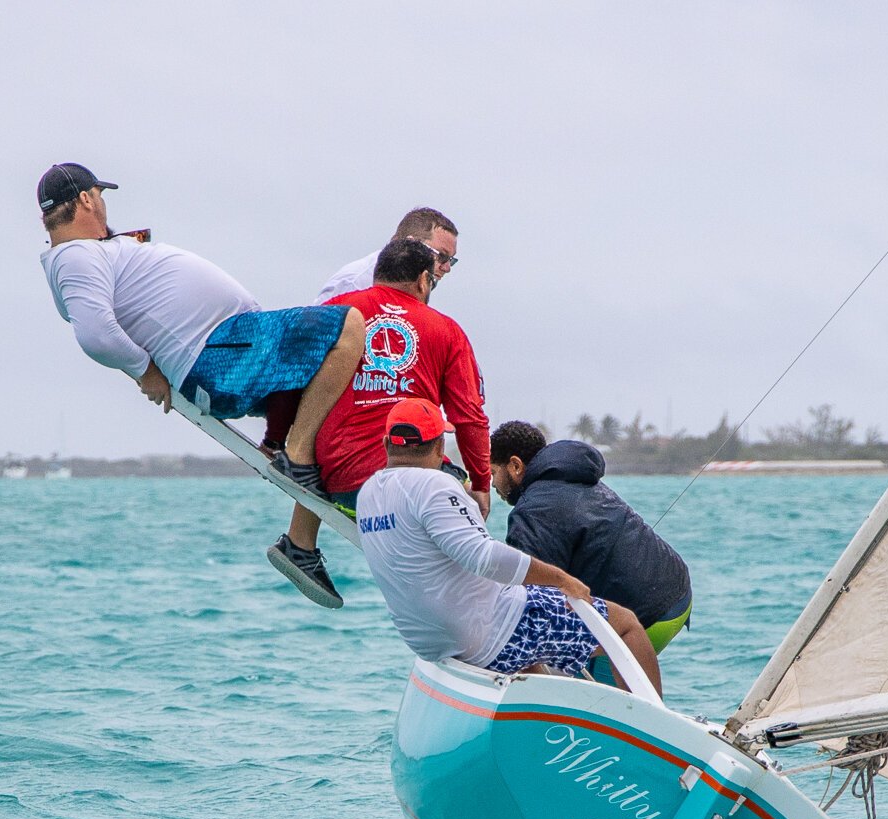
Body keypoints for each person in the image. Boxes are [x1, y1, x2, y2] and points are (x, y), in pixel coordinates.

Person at [38, 162, 365, 596]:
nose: (103, 206)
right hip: (219, 355)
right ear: (85, 199)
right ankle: (297, 455)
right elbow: (96, 335)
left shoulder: (93, 252)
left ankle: (301, 541)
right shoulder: (74, 255)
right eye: (101, 196)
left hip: (231, 349)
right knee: (348, 325)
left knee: (329, 396)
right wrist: (145, 371)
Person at [358, 401, 662, 692]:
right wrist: (563, 580)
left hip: (430, 643)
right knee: (625, 625)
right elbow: (484, 557)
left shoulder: (368, 494)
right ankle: (656, 734)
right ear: (439, 447)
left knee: (527, 620)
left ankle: (546, 715)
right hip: (489, 635)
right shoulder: (434, 485)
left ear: (386, 444)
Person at [267, 236, 492, 608]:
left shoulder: (336, 312)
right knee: (462, 497)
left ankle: (302, 543)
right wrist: (481, 485)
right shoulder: (446, 330)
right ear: (423, 280)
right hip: (416, 489)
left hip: (341, 488)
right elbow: (469, 419)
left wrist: (275, 440)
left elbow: (287, 379)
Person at [490, 422, 693, 671]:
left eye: (492, 472)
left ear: (515, 466)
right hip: (679, 593)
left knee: (554, 661)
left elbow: (529, 602)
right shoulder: (577, 476)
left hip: (649, 617)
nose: (492, 483)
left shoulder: (530, 511)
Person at [314, 206, 459, 304]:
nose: (447, 268)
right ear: (411, 244)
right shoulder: (353, 283)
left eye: (451, 260)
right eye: (442, 256)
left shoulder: (416, 285)